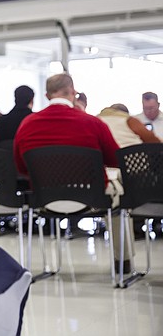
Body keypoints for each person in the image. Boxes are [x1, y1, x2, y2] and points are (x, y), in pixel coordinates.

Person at [13, 73, 130, 271]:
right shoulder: (92, 123)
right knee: (120, 195)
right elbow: (115, 160)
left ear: (47, 95)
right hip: (91, 199)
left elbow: (21, 167)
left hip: (45, 199)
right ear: (73, 93)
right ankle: (123, 262)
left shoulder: (27, 124)